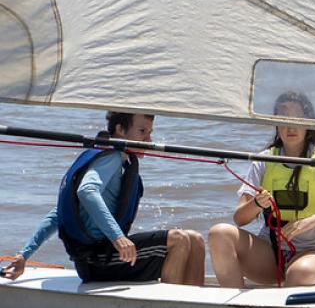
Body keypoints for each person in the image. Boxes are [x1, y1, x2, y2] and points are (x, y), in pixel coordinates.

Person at [4, 112, 206, 285]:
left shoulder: (108, 159)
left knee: (195, 240)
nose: (148, 140)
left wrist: (23, 256)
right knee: (179, 240)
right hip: (97, 261)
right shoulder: (111, 158)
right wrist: (118, 237)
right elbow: (87, 191)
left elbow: (59, 214)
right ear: (120, 130)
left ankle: (196, 305)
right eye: (142, 132)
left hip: (97, 260)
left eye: (150, 132)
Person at [208, 91, 315, 288]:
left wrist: (314, 220)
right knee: (218, 233)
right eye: (283, 119)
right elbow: (240, 219)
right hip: (271, 255)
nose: (290, 127)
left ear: (308, 122)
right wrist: (257, 203)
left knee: (299, 273)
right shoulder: (263, 161)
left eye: (297, 119)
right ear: (275, 123)